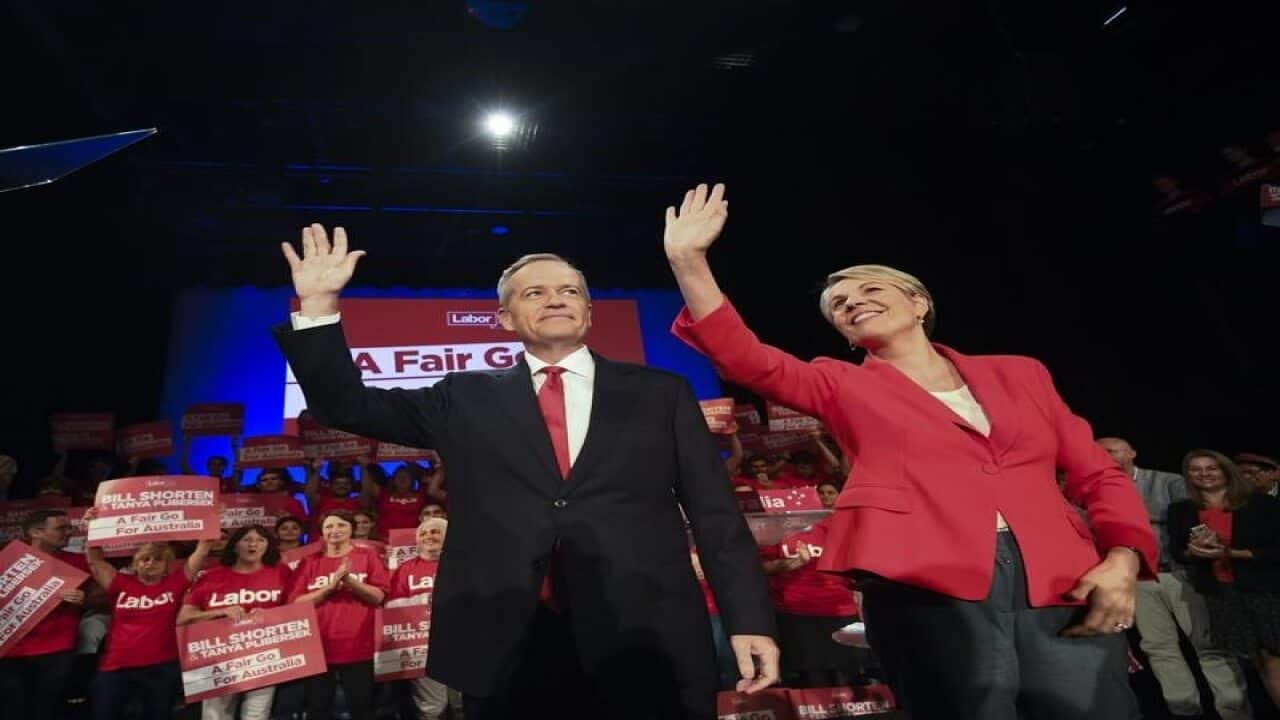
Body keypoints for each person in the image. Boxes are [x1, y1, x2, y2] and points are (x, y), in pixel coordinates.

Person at [663, 183, 1156, 719]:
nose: (853, 302)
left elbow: (1098, 475)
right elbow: (748, 359)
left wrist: (1123, 559)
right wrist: (689, 262)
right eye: (839, 305)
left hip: (1060, 576)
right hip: (927, 584)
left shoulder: (1020, 373)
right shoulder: (840, 383)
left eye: (870, 290)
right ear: (845, 335)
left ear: (919, 303)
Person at [273, 225, 776, 720]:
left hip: (648, 636)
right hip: (507, 641)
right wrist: (318, 306)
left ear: (588, 311)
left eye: (569, 291)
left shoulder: (663, 393)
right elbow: (346, 405)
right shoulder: (462, 396)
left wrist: (749, 619)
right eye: (534, 292)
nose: (555, 299)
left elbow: (717, 517)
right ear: (504, 319)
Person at [1097, 436, 1250, 719]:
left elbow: (1194, 519)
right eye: (1098, 451)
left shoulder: (1166, 482)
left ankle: (1234, 712)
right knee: (1159, 649)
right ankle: (1184, 711)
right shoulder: (1096, 489)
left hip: (1181, 574)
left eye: (1111, 450)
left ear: (1132, 451)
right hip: (1137, 579)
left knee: (1209, 646)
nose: (1104, 455)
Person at [1168, 449, 1280, 708]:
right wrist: (1192, 552)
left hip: (1266, 591)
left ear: (1226, 470)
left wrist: (1231, 553)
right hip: (1221, 593)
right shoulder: (1181, 511)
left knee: (1273, 657)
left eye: (1211, 468)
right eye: (1196, 469)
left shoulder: (1262, 504)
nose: (1204, 474)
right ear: (1188, 475)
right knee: (1258, 659)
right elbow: (1178, 552)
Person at [82, 525, 213, 720]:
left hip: (161, 668)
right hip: (117, 666)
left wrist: (211, 517)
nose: (150, 563)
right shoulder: (120, 582)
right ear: (136, 564)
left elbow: (202, 549)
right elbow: (95, 559)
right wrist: (94, 526)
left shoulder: (176, 582)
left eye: (157, 559)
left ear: (167, 565)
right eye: (145, 559)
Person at [179, 524, 293, 720]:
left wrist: (271, 615)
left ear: (268, 546)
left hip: (265, 656)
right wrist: (219, 612)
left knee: (257, 715)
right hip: (219, 657)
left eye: (260, 540)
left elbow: (295, 611)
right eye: (247, 540)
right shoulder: (210, 576)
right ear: (234, 545)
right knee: (214, 717)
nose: (253, 545)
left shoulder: (282, 573)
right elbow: (183, 618)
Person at [286, 508, 390, 720]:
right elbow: (296, 603)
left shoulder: (368, 556)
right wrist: (329, 588)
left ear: (352, 528)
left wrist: (350, 581)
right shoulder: (309, 561)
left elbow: (378, 596)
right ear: (321, 533)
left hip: (360, 644)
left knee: (362, 707)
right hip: (318, 646)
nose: (335, 530)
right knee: (318, 708)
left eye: (341, 525)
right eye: (329, 526)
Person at [0, 509, 93, 719]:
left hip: (57, 648)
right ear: (36, 532)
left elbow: (104, 598)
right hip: (11, 650)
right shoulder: (8, 559)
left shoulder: (78, 561)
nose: (68, 532)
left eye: (69, 527)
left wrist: (84, 598)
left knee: (48, 710)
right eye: (61, 528)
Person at [386, 517, 462, 719]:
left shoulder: (463, 565)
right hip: (422, 644)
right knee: (431, 707)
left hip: (463, 643)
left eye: (435, 531)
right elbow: (392, 607)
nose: (429, 536)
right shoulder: (406, 569)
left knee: (462, 703)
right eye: (423, 533)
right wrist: (421, 601)